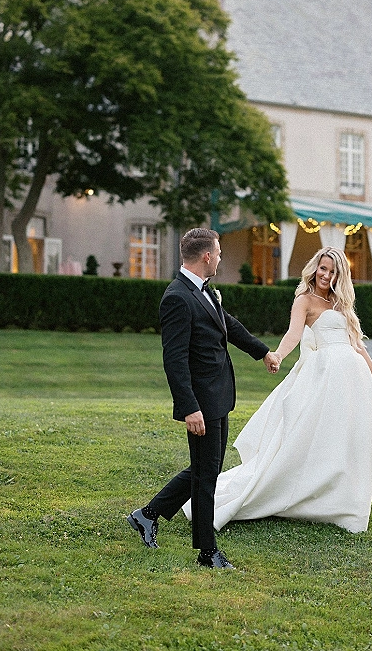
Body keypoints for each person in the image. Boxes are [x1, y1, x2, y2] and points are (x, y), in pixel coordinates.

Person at [183, 246, 372, 535]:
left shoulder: (341, 303)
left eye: (332, 271)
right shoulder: (305, 300)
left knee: (348, 436)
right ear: (315, 268)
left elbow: (357, 343)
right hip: (326, 376)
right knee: (312, 435)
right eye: (323, 268)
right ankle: (293, 490)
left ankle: (341, 500)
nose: (326, 275)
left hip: (352, 378)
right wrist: (277, 355)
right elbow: (294, 333)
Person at [127, 228, 280, 569]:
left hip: (219, 395)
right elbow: (175, 360)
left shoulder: (204, 291)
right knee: (206, 473)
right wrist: (189, 407)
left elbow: (228, 325)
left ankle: (147, 515)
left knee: (204, 468)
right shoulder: (177, 297)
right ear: (207, 256)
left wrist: (263, 352)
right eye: (219, 252)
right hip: (202, 401)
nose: (222, 257)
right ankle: (207, 553)